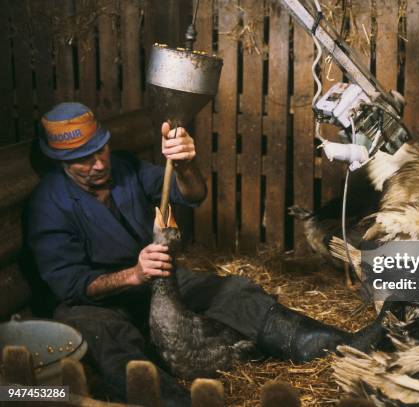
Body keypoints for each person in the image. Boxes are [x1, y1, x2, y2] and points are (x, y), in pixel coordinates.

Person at [27, 102, 394, 405]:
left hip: (155, 276)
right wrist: (133, 275)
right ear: (61, 162)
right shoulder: (49, 204)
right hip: (94, 300)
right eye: (84, 160)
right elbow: (71, 285)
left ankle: (329, 345)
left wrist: (185, 164)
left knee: (232, 292)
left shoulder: (125, 168)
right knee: (112, 344)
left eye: (101, 149)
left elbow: (193, 194)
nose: (99, 164)